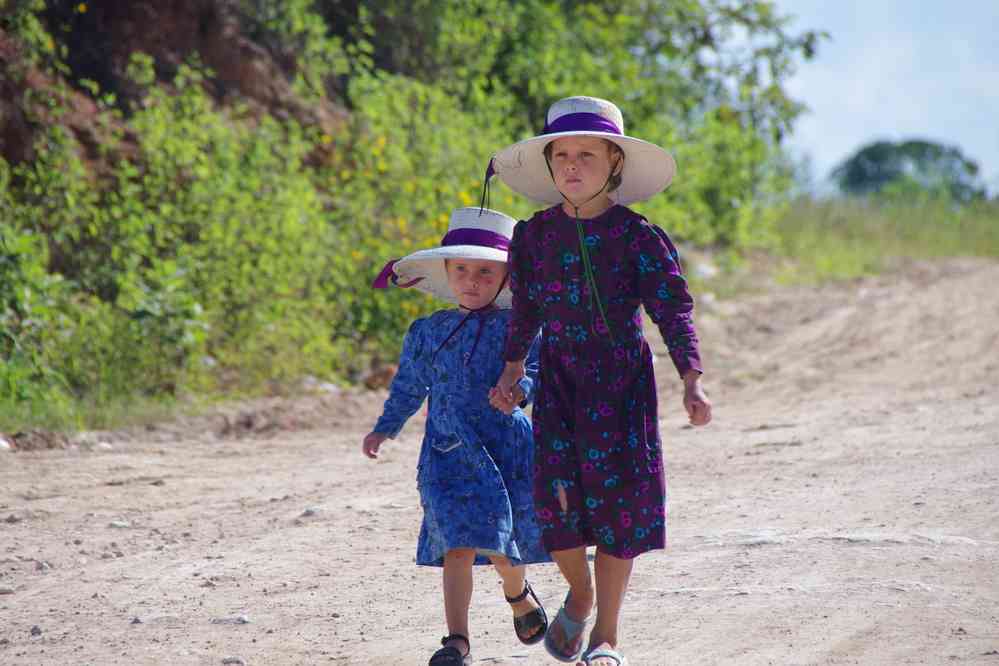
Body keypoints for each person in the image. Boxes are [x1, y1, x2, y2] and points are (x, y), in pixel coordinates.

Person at [488, 96, 713, 666]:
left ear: (614, 162)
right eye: (561, 155)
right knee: (556, 505)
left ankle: (605, 636)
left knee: (621, 510)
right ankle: (580, 593)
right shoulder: (534, 237)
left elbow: (672, 309)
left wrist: (691, 377)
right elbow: (526, 310)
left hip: (622, 388)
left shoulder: (638, 236)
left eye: (586, 154)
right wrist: (512, 368)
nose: (572, 165)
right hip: (560, 383)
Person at [366, 207, 551, 666]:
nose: (472, 281)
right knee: (456, 544)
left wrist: (519, 391)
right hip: (446, 451)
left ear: (506, 277)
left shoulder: (520, 327)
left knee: (501, 541)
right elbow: (409, 385)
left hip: (503, 450)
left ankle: (518, 593)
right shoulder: (429, 332)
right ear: (447, 273)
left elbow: (537, 371)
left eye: (486, 271)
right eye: (462, 270)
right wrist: (386, 426)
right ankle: (457, 642)